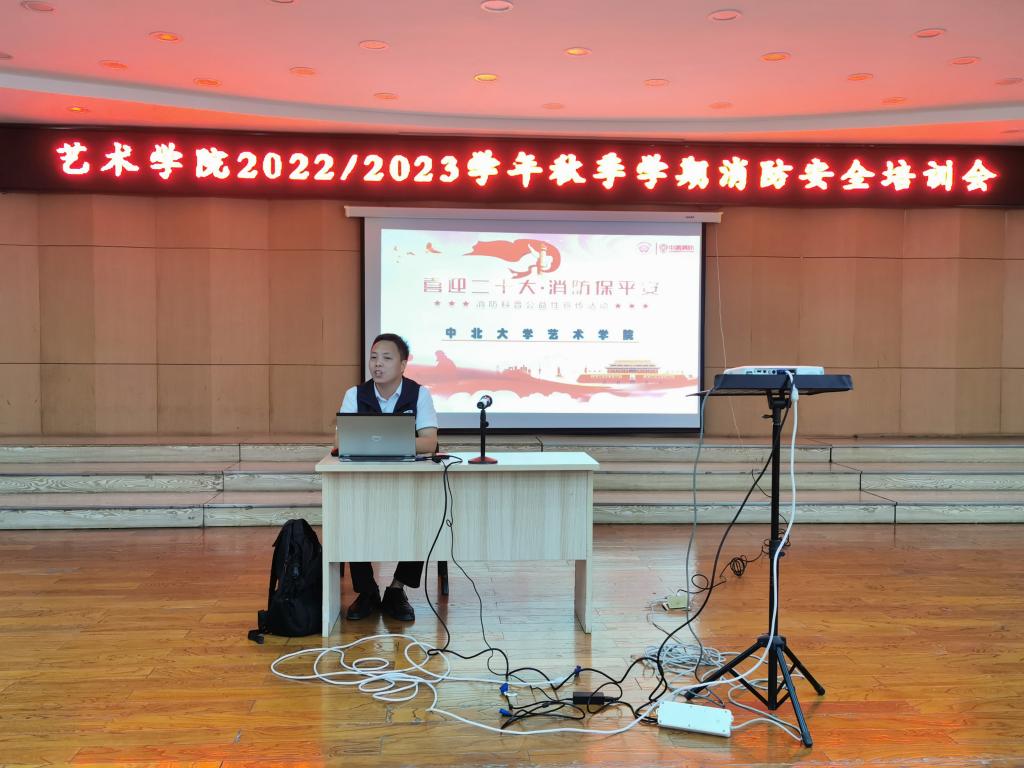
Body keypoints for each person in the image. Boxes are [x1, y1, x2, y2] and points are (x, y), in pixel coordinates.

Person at [338, 333, 438, 622]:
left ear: (403, 364)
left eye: (386, 358)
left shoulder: (419, 394)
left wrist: (378, 441)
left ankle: (397, 588)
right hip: (364, 480)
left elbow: (430, 442)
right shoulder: (355, 395)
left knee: (422, 516)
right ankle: (367, 590)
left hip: (409, 481)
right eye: (373, 358)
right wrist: (395, 441)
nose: (377, 364)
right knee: (350, 514)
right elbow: (341, 441)